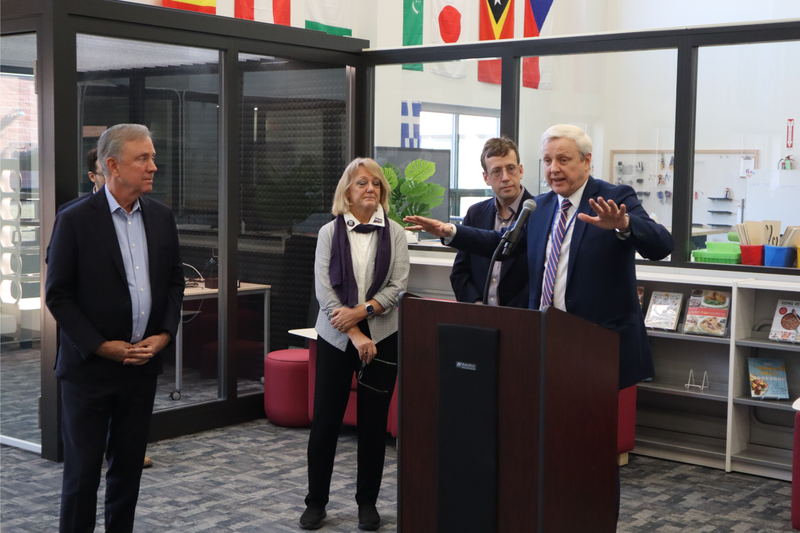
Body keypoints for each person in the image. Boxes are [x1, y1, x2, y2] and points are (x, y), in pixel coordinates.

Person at [405, 124, 673, 518]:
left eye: (563, 159)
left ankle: (592, 521)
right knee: (548, 447)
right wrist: (451, 232)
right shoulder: (542, 206)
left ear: (586, 161)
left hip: (595, 351)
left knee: (593, 451)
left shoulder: (614, 198)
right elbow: (502, 246)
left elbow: (661, 244)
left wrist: (625, 226)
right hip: (546, 344)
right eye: (547, 160)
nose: (553, 168)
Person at [45, 124, 184, 533]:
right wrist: (101, 346)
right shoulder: (74, 219)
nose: (153, 167)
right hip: (89, 370)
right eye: (143, 158)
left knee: (127, 472)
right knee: (83, 476)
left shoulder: (160, 216)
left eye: (152, 157)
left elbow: (175, 282)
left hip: (141, 368)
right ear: (111, 165)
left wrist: (164, 335)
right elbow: (59, 296)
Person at [301, 158, 410, 531]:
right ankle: (316, 502)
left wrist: (363, 313)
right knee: (326, 422)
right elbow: (324, 292)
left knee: (374, 424)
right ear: (347, 190)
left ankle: (368, 503)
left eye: (377, 184)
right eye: (362, 183)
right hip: (335, 337)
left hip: (383, 336)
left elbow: (398, 286)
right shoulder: (328, 234)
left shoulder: (394, 233)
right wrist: (353, 331)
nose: (371, 190)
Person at [450, 137, 534, 307]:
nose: (505, 178)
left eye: (511, 169)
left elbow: (541, 277)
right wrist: (476, 303)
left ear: (521, 171)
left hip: (523, 319)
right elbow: (460, 272)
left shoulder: (539, 212)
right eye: (496, 171)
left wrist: (509, 315)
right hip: (480, 319)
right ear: (486, 178)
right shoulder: (475, 213)